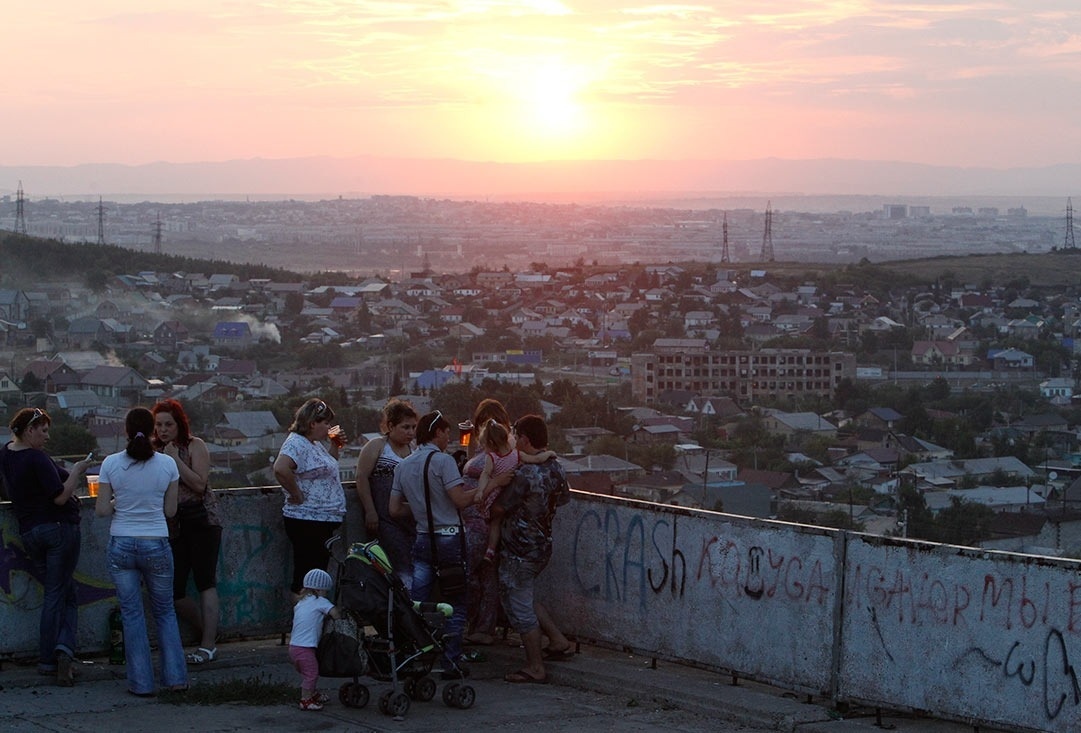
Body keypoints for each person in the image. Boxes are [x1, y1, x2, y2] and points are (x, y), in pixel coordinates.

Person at [95, 407, 188, 697]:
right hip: (156, 542)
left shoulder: (110, 463)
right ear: (152, 431)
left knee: (132, 614)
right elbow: (170, 510)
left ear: (125, 430)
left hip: (122, 543)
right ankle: (175, 679)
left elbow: (100, 510)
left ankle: (141, 683)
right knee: (164, 612)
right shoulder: (167, 465)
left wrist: (118, 503)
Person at [0, 408, 92, 686]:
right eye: (43, 430)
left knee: (58, 592)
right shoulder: (36, 457)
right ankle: (55, 656)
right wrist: (77, 470)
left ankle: (55, 656)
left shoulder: (6, 453)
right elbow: (60, 498)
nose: (47, 436)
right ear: (29, 430)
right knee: (62, 595)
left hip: (30, 532)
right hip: (58, 530)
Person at [389, 410, 478, 678]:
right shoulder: (443, 462)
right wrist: (486, 488)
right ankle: (451, 661)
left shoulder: (403, 465)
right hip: (449, 537)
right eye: (447, 432)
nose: (449, 438)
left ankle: (416, 657)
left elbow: (394, 509)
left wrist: (420, 510)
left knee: (419, 602)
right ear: (437, 432)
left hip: (423, 537)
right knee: (456, 602)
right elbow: (460, 500)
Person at [497, 414, 574, 685]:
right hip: (543, 545)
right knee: (526, 595)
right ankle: (557, 640)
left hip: (519, 549)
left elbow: (499, 507)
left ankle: (535, 667)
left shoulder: (525, 474)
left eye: (517, 436)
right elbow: (563, 498)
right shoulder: (556, 467)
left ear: (525, 439)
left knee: (519, 606)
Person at [152, 399, 221, 665]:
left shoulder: (195, 446)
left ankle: (208, 645)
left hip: (203, 520)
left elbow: (199, 484)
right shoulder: (154, 450)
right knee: (174, 589)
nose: (163, 430)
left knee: (205, 581)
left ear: (179, 424)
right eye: (158, 425)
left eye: (168, 424)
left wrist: (174, 461)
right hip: (172, 525)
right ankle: (209, 632)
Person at [273, 398, 347, 597]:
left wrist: (335, 445)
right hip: (307, 520)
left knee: (317, 574)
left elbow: (328, 468)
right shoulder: (296, 443)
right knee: (307, 575)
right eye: (326, 423)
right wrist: (296, 493)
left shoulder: (313, 444)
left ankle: (312, 618)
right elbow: (280, 468)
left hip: (320, 519)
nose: (329, 427)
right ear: (313, 423)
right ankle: (304, 620)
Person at [460, 398, 514, 646]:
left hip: (481, 520)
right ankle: (481, 626)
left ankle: (476, 624)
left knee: (472, 573)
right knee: (484, 574)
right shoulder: (488, 450)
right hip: (473, 518)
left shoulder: (505, 452)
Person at [473, 418, 555, 564]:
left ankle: (490, 550)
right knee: (496, 521)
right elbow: (535, 459)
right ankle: (491, 550)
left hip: (497, 496)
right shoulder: (517, 455)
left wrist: (480, 492)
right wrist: (548, 454)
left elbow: (485, 475)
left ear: (491, 444)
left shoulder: (491, 458)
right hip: (537, 539)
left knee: (494, 523)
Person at [354, 399, 417, 587]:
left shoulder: (413, 450)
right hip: (384, 518)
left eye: (413, 427)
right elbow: (361, 477)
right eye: (405, 427)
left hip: (409, 519)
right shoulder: (377, 446)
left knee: (412, 564)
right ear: (390, 425)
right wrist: (370, 510)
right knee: (397, 565)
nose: (410, 432)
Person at [289, 568, 341, 711]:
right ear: (320, 590)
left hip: (294, 647)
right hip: (305, 648)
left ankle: (312, 693)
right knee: (311, 674)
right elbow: (335, 614)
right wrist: (338, 617)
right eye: (325, 591)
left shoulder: (301, 603)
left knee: (308, 673)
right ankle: (305, 700)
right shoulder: (321, 601)